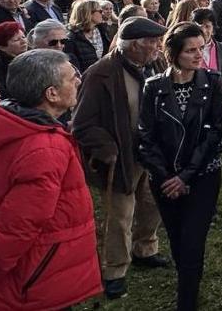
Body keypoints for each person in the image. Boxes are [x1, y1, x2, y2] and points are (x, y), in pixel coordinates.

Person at [0, 49, 102, 311]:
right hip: (28, 281)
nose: (79, 81)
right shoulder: (44, 147)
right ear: (51, 93)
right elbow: (16, 230)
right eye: (72, 78)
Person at [71, 17, 171, 300]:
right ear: (134, 45)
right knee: (120, 215)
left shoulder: (156, 63)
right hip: (122, 157)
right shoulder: (101, 73)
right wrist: (108, 149)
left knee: (153, 206)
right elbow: (81, 125)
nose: (157, 46)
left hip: (152, 154)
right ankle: (115, 270)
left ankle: (145, 249)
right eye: (152, 42)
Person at [137, 22, 222, 311]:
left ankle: (186, 302)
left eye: (201, 48)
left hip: (202, 175)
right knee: (177, 240)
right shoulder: (153, 87)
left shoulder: (212, 82)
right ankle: (187, 284)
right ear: (173, 53)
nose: (198, 55)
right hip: (164, 179)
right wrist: (167, 177)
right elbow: (145, 136)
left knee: (192, 241)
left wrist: (187, 175)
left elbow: (214, 133)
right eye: (190, 50)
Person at [193, 8, 222, 116]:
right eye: (199, 27)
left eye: (207, 26)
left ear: (213, 29)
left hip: (221, 107)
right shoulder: (189, 51)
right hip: (197, 108)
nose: (203, 31)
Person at [66, 0, 112, 74]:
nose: (102, 13)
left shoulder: (102, 30)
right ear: (88, 13)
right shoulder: (72, 37)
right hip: (85, 79)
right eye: (100, 11)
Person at [0, 21, 28, 99]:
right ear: (2, 47)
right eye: (16, 40)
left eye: (23, 37)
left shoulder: (33, 57)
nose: (23, 41)